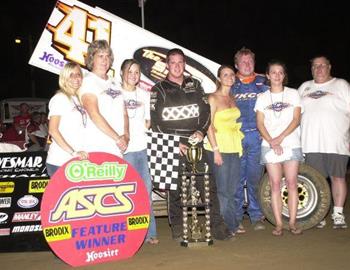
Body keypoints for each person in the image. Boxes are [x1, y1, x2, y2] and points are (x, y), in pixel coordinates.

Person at [151, 48, 233, 241]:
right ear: (167, 65)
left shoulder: (195, 84)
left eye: (180, 62)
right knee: (176, 189)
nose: (177, 66)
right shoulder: (159, 89)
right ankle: (179, 229)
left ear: (184, 64)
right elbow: (155, 122)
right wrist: (174, 143)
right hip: (172, 146)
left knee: (207, 186)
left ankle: (217, 227)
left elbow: (205, 113)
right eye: (173, 62)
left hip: (196, 143)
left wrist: (200, 132)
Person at [298, 55, 350, 229]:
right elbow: (293, 115)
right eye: (315, 66)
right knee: (315, 180)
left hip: (337, 142)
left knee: (338, 177)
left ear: (329, 67)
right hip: (310, 144)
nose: (318, 68)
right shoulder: (305, 87)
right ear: (311, 69)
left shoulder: (341, 85)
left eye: (322, 65)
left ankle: (338, 214)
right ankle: (318, 213)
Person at [255, 60, 303, 236]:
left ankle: (292, 222)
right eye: (273, 72)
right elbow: (259, 122)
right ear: (267, 75)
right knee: (275, 184)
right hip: (269, 145)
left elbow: (296, 119)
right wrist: (271, 141)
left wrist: (280, 139)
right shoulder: (262, 98)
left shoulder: (293, 94)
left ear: (284, 75)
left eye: (280, 72)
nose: (276, 75)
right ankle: (278, 224)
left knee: (291, 183)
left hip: (291, 143)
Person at [120, 59, 159, 244]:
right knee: (127, 194)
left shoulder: (145, 94)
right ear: (122, 73)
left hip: (143, 149)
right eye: (130, 71)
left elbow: (149, 120)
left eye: (136, 72)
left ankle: (150, 232)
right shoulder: (114, 93)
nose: (133, 75)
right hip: (124, 151)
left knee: (146, 191)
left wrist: (146, 125)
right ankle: (132, 234)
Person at [231, 47, 269, 232]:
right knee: (237, 180)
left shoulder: (264, 82)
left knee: (255, 179)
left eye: (250, 61)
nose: (246, 64)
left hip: (257, 136)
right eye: (243, 61)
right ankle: (236, 217)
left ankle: (256, 215)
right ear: (236, 64)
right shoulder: (229, 82)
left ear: (254, 63)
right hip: (236, 136)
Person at [204, 65, 244, 234]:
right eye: (225, 75)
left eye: (231, 74)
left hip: (234, 146)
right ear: (219, 78)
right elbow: (208, 126)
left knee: (233, 188)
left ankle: (232, 223)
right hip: (218, 147)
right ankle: (224, 226)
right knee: (222, 190)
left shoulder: (233, 98)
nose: (229, 77)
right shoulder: (213, 98)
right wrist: (216, 150)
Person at [79, 39, 129, 156]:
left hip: (118, 148)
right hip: (97, 146)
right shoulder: (87, 81)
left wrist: (126, 136)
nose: (105, 60)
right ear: (92, 58)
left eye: (107, 56)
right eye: (100, 56)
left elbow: (124, 113)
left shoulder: (115, 82)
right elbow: (94, 114)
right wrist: (117, 138)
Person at [46, 62, 88, 177]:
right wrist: (73, 152)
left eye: (78, 74)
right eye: (71, 75)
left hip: (78, 161)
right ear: (64, 78)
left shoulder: (79, 99)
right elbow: (52, 130)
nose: (76, 78)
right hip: (60, 161)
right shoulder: (59, 98)